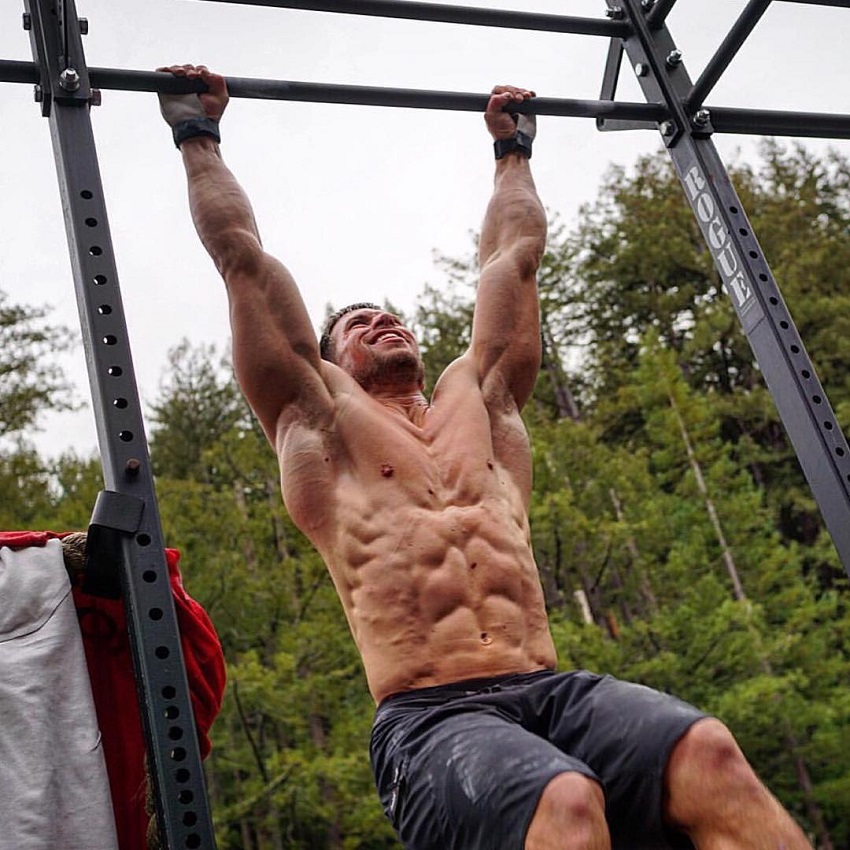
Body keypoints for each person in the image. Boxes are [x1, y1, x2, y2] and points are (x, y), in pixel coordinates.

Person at [158, 64, 814, 850]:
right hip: (432, 718)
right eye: (359, 322)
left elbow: (514, 260)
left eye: (390, 314)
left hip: (551, 686)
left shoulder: (483, 403)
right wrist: (199, 134)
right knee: (566, 802)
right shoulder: (322, 425)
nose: (383, 322)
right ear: (328, 360)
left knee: (707, 751)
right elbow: (243, 260)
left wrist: (514, 151)